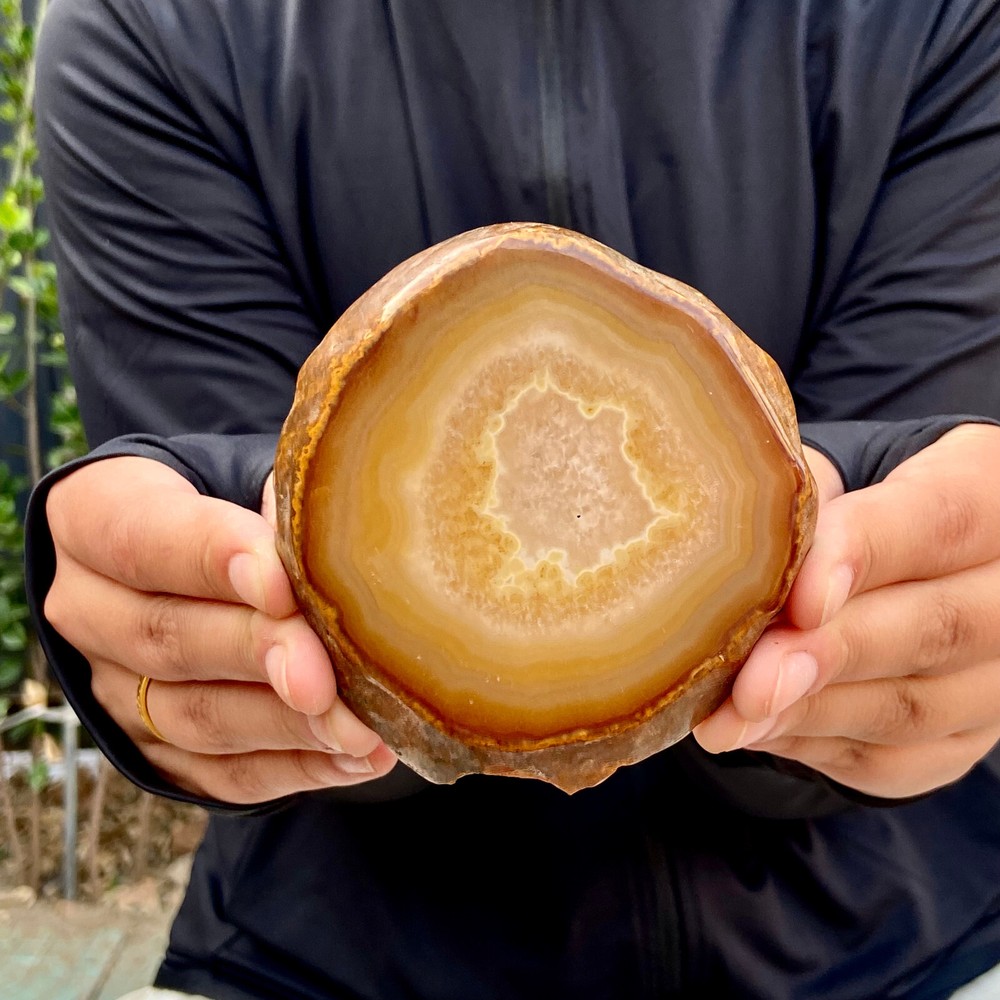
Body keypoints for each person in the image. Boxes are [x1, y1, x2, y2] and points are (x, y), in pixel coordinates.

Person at [25, 0, 1000, 997]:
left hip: (894, 944)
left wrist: (899, 636)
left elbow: (920, 477)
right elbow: (226, 500)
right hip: (325, 957)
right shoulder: (148, 28)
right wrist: (200, 643)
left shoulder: (944, 20)